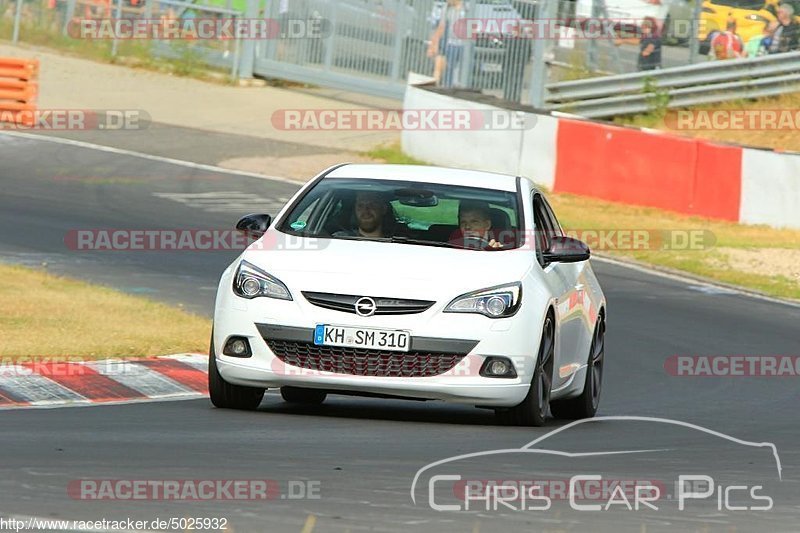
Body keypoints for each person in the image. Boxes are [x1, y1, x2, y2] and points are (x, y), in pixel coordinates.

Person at [428, 0, 466, 88]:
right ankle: (447, 88)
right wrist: (434, 43)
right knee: (449, 69)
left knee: (462, 71)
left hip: (464, 44)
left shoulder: (467, 8)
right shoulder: (447, 8)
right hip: (451, 43)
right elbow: (442, 26)